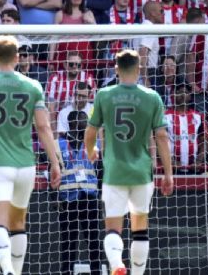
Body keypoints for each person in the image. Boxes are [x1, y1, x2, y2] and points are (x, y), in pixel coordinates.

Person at [0, 35, 62, 275]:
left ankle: (8, 270)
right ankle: (16, 272)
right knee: (18, 223)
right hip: (25, 164)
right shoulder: (32, 86)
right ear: (18, 58)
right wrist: (54, 162)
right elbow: (44, 127)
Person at [84, 49, 174, 275]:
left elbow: (91, 128)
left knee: (113, 228)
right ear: (139, 68)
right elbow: (161, 136)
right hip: (142, 172)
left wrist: (90, 149)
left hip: (114, 171)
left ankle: (117, 265)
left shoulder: (104, 95)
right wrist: (168, 173)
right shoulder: (152, 97)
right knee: (140, 229)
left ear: (116, 69)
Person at [57, 108, 102, 275]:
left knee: (94, 242)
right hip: (68, 200)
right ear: (73, 123)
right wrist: (55, 198)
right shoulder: (58, 145)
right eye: (84, 120)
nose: (87, 123)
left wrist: (101, 196)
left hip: (89, 199)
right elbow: (52, 172)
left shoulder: (94, 143)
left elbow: (100, 170)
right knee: (69, 243)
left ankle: (96, 272)